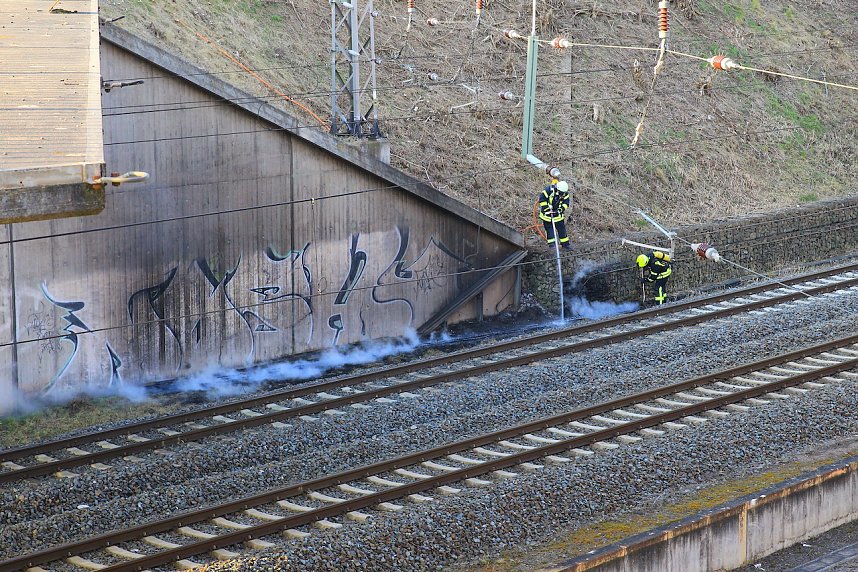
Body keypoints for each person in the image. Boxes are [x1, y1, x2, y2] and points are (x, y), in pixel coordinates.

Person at [537, 179, 572, 250]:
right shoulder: (548, 190)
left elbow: (566, 203)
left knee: (562, 230)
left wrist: (559, 210)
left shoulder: (565, 194)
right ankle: (552, 246)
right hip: (547, 216)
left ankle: (565, 245)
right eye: (561, 193)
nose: (562, 195)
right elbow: (542, 200)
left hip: (558, 216)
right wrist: (547, 209)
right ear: (557, 189)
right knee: (550, 230)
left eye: (563, 193)